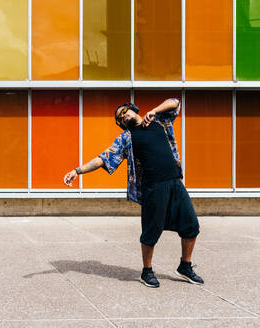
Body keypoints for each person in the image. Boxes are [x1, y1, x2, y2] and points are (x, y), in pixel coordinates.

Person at [63, 98, 203, 288]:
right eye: (120, 117)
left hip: (175, 183)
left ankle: (185, 266)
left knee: (191, 225)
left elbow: (175, 102)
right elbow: (103, 158)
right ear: (121, 124)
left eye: (125, 111)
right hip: (153, 187)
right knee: (151, 231)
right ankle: (147, 271)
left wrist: (153, 110)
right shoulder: (126, 138)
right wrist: (77, 171)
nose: (124, 115)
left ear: (134, 110)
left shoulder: (160, 122)